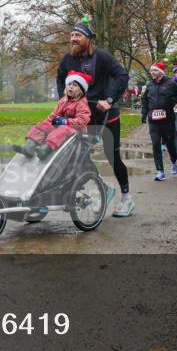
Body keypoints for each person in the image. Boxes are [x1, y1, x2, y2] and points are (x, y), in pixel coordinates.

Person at [56, 17, 132, 216]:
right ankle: (104, 189)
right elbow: (60, 80)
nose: (73, 39)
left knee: (112, 157)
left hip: (105, 116)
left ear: (88, 39)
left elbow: (122, 75)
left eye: (78, 35)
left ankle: (126, 198)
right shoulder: (67, 59)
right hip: (83, 117)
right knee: (79, 156)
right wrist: (63, 101)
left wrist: (109, 99)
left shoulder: (102, 57)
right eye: (71, 35)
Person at [14, 71, 92, 160]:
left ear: (81, 90)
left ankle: (45, 149)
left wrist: (64, 121)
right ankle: (29, 147)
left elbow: (82, 121)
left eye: (75, 85)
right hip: (60, 125)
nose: (71, 86)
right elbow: (54, 116)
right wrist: (47, 123)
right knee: (43, 125)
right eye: (69, 84)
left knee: (62, 129)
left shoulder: (81, 104)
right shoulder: (63, 100)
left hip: (75, 131)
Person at [141, 62, 177, 180]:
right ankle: (160, 171)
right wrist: (144, 114)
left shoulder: (171, 84)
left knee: (170, 144)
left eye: (155, 70)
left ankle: (174, 161)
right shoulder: (149, 85)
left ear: (161, 72)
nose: (153, 72)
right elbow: (144, 100)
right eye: (151, 70)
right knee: (156, 144)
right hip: (153, 120)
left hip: (167, 119)